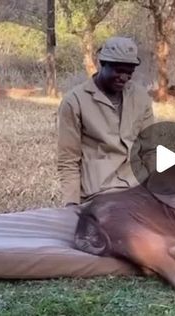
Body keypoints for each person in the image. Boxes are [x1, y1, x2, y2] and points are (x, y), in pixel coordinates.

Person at [57, 37, 155, 207]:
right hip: (98, 194)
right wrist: (71, 204)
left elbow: (150, 149)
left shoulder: (141, 97)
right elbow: (68, 160)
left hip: (137, 188)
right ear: (102, 64)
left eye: (129, 72)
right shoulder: (75, 101)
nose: (124, 78)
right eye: (118, 71)